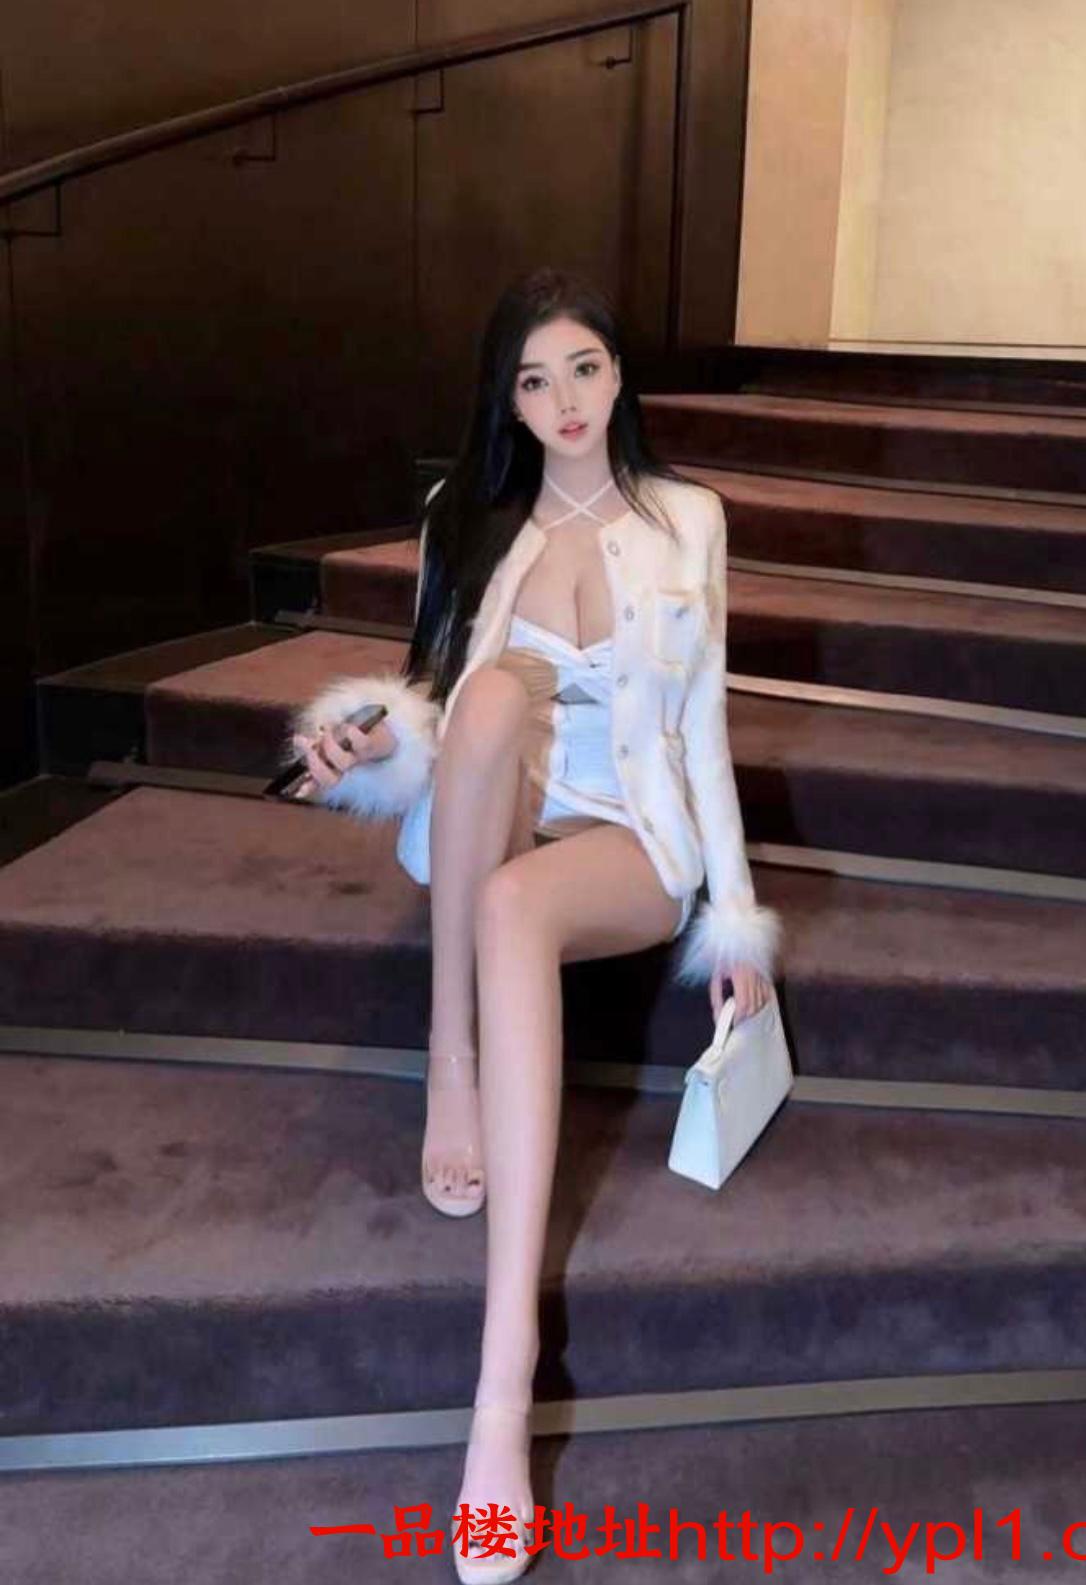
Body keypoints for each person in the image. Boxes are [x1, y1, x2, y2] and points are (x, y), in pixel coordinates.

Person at [289, 267, 781, 1581]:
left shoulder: (688, 518)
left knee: (516, 903)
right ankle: (450, 1059)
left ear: (618, 375)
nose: (565, 401)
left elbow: (703, 725)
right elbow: (433, 703)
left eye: (585, 369)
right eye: (533, 379)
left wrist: (735, 923)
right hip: (501, 797)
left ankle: (501, 1389)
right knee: (497, 697)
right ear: (506, 401)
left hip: (630, 832)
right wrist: (365, 740)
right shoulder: (466, 513)